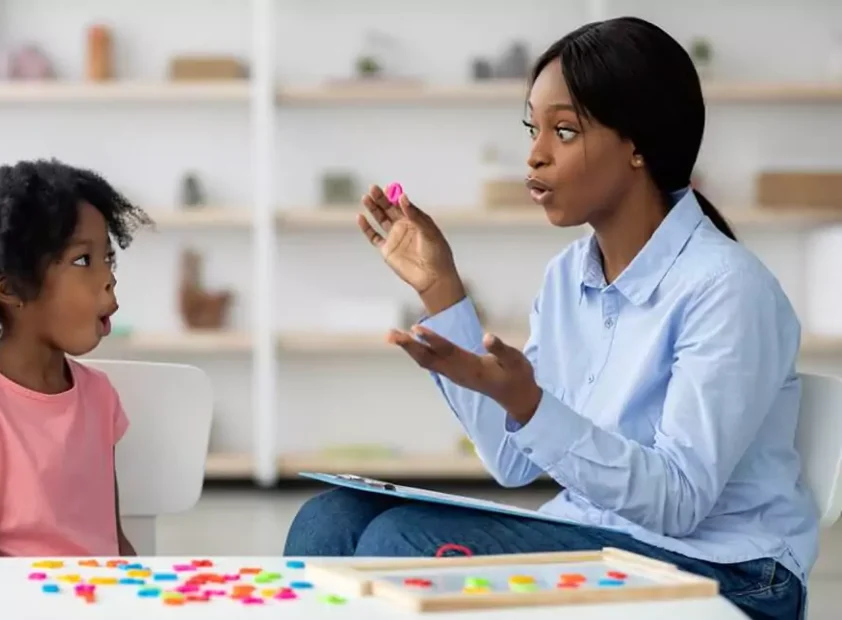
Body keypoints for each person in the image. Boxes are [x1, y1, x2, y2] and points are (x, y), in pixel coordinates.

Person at [284, 17, 815, 620]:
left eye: (564, 131)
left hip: (730, 573)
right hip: (604, 539)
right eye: (532, 129)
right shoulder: (568, 277)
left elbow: (679, 502)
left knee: (398, 544)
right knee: (328, 520)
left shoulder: (728, 289)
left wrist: (532, 405)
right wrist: (442, 292)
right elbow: (513, 463)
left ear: (637, 144)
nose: (534, 155)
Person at [0, 160, 151, 599]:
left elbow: (111, 543)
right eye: (83, 260)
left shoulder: (99, 398)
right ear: (12, 289)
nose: (109, 279)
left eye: (107, 259)